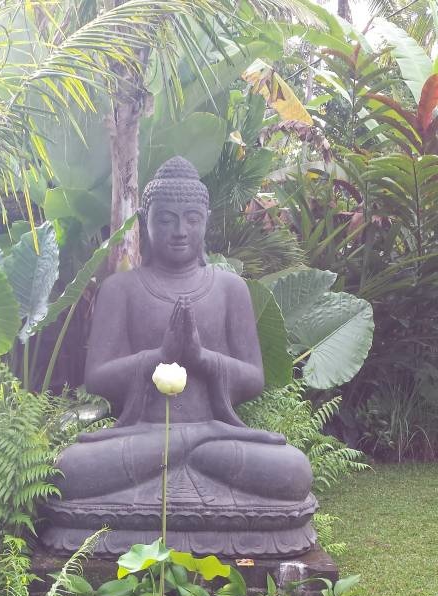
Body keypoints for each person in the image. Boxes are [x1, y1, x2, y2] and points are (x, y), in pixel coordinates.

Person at [43, 157, 316, 557]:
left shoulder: (231, 289)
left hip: (213, 434)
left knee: (293, 471)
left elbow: (253, 378)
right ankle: (187, 462)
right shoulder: (119, 289)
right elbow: (98, 376)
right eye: (166, 219)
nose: (180, 231)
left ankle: (177, 466)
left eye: (191, 219)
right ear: (145, 222)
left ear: (206, 220)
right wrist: (161, 355)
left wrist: (200, 357)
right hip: (144, 435)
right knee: (70, 471)